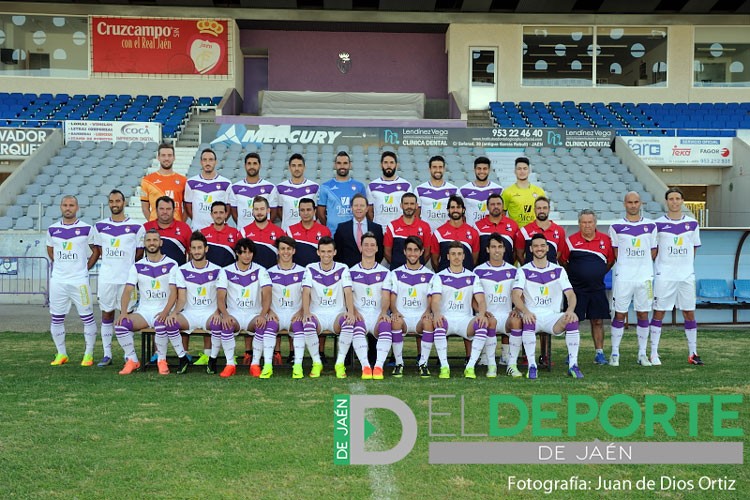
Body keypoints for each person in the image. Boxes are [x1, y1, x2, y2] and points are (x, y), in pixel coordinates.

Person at [512, 234, 583, 380]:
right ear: (531, 249)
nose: (539, 248)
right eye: (536, 246)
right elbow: (515, 295)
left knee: (572, 320)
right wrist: (525, 311)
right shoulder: (523, 270)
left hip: (553, 317)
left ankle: (573, 365)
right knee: (528, 320)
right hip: (533, 315)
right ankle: (532, 366)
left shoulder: (559, 270)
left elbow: (570, 294)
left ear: (547, 248)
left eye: (542, 245)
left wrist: (570, 311)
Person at [114, 229, 180, 375]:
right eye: (149, 240)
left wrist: (165, 312)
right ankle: (132, 360)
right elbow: (127, 291)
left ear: (160, 242)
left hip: (164, 310)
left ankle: (161, 360)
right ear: (144, 243)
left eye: (155, 240)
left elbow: (174, 292)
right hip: (144, 312)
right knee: (120, 325)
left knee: (161, 323)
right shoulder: (137, 266)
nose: (152, 243)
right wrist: (124, 312)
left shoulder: (171, 264)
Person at [92, 189, 145, 368]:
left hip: (127, 280)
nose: (115, 204)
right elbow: (97, 251)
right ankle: (107, 354)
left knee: (126, 316)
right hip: (107, 278)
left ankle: (127, 354)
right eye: (112, 201)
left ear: (124, 202)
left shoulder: (137, 227)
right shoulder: (99, 226)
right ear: (109, 204)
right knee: (107, 314)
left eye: (118, 201)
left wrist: (126, 265)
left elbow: (139, 253)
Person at [651, 187, 703, 366]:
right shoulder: (656, 224)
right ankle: (653, 353)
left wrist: (685, 266)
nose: (674, 202)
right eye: (671, 199)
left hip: (686, 276)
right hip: (664, 275)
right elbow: (654, 250)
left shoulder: (692, 223)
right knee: (659, 311)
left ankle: (693, 353)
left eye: (677, 198)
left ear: (682, 201)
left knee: (689, 312)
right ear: (667, 202)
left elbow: (694, 248)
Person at [46, 195, 101, 367]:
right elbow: (50, 250)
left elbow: (96, 251)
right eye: (65, 205)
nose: (68, 208)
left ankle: (88, 354)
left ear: (77, 207)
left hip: (80, 281)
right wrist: (61, 266)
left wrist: (86, 267)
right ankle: (61, 353)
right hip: (58, 281)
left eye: (71, 205)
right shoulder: (52, 229)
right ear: (61, 207)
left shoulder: (86, 228)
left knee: (87, 317)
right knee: (56, 318)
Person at [422, 241, 488, 379]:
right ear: (448, 257)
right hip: (446, 319)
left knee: (482, 323)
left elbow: (481, 300)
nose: (456, 257)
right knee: (439, 321)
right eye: (453, 254)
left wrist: (481, 314)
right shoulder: (439, 276)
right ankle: (444, 367)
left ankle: (470, 367)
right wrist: (438, 313)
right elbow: (435, 300)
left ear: (464, 256)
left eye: (459, 254)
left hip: (465, 320)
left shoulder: (472, 276)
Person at [608, 192, 657, 367]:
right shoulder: (616, 226)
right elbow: (615, 253)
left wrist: (641, 264)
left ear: (641, 203)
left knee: (643, 313)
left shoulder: (651, 226)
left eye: (636, 202)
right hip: (624, 278)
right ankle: (615, 353)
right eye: (630, 202)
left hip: (645, 279)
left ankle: (642, 354)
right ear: (624, 204)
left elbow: (653, 251)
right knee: (619, 314)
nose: (633, 205)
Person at [563, 209, 615, 365]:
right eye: (584, 222)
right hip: (576, 290)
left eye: (590, 222)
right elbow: (564, 261)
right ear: (579, 223)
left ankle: (599, 353)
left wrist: (595, 274)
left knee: (597, 321)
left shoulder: (605, 240)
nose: (587, 225)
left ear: (595, 223)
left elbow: (610, 261)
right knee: (573, 321)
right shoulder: (570, 241)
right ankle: (571, 354)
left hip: (597, 288)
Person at [300, 237, 357, 378]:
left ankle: (340, 363)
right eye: (323, 251)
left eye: (329, 251)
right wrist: (306, 312)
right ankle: (316, 362)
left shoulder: (343, 268)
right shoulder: (310, 268)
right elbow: (306, 292)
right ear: (318, 252)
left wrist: (350, 312)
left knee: (348, 322)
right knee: (307, 322)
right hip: (317, 314)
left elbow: (348, 291)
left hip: (336, 314)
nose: (326, 255)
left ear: (335, 252)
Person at [168, 231, 223, 375]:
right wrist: (174, 313)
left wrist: (218, 312)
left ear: (206, 249)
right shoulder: (182, 270)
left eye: (200, 248)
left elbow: (221, 297)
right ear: (190, 250)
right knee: (170, 322)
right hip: (190, 313)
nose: (197, 251)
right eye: (194, 248)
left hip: (210, 313)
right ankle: (182, 358)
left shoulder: (218, 270)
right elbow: (181, 298)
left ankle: (212, 359)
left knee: (218, 324)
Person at [217, 238, 272, 378]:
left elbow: (267, 295)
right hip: (234, 314)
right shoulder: (226, 271)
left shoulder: (261, 270)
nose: (247, 256)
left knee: (262, 324)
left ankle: (255, 364)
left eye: (249, 252)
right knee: (225, 324)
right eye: (243, 252)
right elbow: (220, 297)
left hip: (253, 314)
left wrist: (262, 314)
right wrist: (225, 314)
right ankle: (230, 364)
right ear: (237, 253)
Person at [474, 234, 523, 377]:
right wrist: (481, 312)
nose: (497, 250)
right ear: (488, 250)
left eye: (500, 247)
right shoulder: (478, 271)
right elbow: (472, 298)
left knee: (516, 320)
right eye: (493, 247)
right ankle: (491, 365)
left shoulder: (514, 271)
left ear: (504, 250)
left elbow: (522, 295)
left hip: (507, 316)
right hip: (488, 316)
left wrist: (516, 309)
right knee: (489, 321)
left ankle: (511, 364)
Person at [386, 236, 435, 377]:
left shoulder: (430, 275)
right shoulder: (395, 274)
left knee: (428, 321)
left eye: (415, 250)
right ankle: (399, 363)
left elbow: (431, 298)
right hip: (404, 318)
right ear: (404, 252)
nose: (412, 253)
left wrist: (427, 311)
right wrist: (394, 311)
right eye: (409, 250)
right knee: (395, 321)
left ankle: (423, 363)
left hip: (420, 318)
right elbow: (392, 297)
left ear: (421, 252)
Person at [266, 236, 310, 378]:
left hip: (295, 313)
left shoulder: (304, 272)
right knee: (269, 327)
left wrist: (302, 310)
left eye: (289, 249)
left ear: (294, 251)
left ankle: (297, 366)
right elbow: (264, 296)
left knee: (299, 327)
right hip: (276, 313)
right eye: (282, 249)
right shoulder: (269, 272)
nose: (286, 252)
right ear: (278, 251)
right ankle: (267, 366)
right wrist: (269, 310)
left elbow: (307, 294)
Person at [349, 232, 392, 379]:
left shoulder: (385, 272)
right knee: (356, 327)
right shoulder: (351, 272)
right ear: (361, 247)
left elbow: (386, 296)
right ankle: (366, 367)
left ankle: (378, 367)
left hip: (377, 314)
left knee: (386, 325)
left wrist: (384, 312)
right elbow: (347, 296)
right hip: (359, 314)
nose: (369, 247)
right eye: (366, 244)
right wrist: (353, 311)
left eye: (372, 245)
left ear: (377, 249)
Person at [317, 151, 367, 235]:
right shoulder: (325, 187)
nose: (342, 166)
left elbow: (364, 211)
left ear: (350, 165)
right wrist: (329, 226)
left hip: (353, 233)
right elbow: (320, 213)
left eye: (345, 163)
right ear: (335, 165)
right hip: (333, 233)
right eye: (339, 163)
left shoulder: (359, 186)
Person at [184, 148, 232, 231]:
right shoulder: (191, 182)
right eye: (205, 160)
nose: (207, 163)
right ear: (201, 162)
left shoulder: (226, 183)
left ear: (215, 162)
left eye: (211, 160)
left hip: (217, 230)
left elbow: (228, 208)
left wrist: (219, 222)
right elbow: (187, 206)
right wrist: (196, 220)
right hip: (197, 230)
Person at [229, 152, 278, 230]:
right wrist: (243, 227)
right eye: (249, 163)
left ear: (260, 165)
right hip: (243, 233)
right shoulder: (235, 187)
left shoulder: (270, 187)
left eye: (255, 163)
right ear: (245, 166)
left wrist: (264, 227)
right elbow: (234, 212)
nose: (252, 166)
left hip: (263, 232)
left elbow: (274, 212)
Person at [383, 192, 432, 269]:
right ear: (401, 205)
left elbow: (427, 253)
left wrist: (416, 266)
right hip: (396, 272)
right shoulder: (392, 226)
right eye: (406, 203)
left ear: (416, 206)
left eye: (412, 204)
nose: (409, 206)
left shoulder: (425, 226)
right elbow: (387, 252)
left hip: (418, 272)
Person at [431, 195, 479, 272]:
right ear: (448, 210)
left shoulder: (473, 233)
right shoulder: (438, 233)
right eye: (452, 207)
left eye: (458, 207)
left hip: (466, 279)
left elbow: (474, 260)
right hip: (445, 279)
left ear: (463, 210)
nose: (455, 210)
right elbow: (434, 260)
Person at [334, 193, 384, 268]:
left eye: (362, 206)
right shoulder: (342, 228)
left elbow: (380, 252)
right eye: (356, 205)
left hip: (370, 270)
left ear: (367, 208)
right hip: (348, 270)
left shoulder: (376, 228)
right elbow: (337, 253)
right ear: (351, 208)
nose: (359, 208)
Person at [140, 142, 187, 222]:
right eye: (163, 155)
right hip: (156, 229)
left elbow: (187, 208)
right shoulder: (147, 181)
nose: (166, 158)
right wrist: (153, 223)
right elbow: (145, 208)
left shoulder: (183, 181)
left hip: (176, 228)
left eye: (169, 155)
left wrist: (181, 224)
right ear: (158, 157)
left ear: (174, 157)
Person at [515, 196, 567, 265]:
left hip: (550, 273)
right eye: (539, 208)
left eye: (544, 208)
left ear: (549, 209)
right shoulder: (524, 231)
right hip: (531, 274)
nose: (542, 211)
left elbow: (558, 254)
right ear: (534, 210)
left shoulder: (560, 231)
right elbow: (519, 254)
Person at [366, 151, 412, 227]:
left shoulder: (406, 185)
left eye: (391, 162)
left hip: (399, 229)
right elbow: (370, 211)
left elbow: (409, 209)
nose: (388, 165)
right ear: (381, 165)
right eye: (385, 162)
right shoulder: (372, 186)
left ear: (396, 165)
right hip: (379, 229)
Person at [276, 153, 319, 233]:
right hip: (287, 232)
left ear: (304, 167)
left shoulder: (314, 187)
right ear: (289, 168)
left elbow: (316, 211)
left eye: (299, 165)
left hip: (308, 232)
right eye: (293, 165)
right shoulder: (280, 187)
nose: (297, 168)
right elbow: (279, 211)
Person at [143, 196, 191, 266]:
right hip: (151, 274)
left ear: (174, 210)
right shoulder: (145, 228)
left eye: (168, 209)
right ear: (156, 210)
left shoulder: (184, 228)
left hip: (176, 274)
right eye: (161, 209)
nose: (165, 212)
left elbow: (192, 252)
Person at [415, 155, 458, 232]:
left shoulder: (454, 190)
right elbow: (416, 215)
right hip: (427, 233)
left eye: (440, 167)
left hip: (447, 234)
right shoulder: (419, 189)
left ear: (444, 169)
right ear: (429, 169)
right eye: (434, 167)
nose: (438, 170)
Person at [474, 193, 519, 266]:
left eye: (498, 204)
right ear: (487, 207)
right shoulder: (477, 226)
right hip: (484, 271)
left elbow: (516, 251)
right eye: (492, 204)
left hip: (506, 271)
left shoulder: (513, 225)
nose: (496, 206)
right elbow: (475, 252)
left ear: (503, 206)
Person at [240, 195, 284, 269]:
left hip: (272, 274)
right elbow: (240, 257)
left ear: (268, 210)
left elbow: (283, 257)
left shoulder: (279, 232)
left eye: (262, 209)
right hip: (251, 276)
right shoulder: (244, 232)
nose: (259, 212)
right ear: (252, 211)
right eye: (256, 209)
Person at [501, 157, 545, 228]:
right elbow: (502, 215)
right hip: (516, 233)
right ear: (515, 171)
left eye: (525, 169)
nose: (522, 171)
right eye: (519, 169)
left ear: (529, 171)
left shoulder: (539, 192)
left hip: (535, 233)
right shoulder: (507, 192)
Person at [288, 198, 332, 268]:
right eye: (302, 210)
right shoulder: (290, 231)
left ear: (314, 211)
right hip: (297, 272)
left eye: (308, 210)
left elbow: (329, 254)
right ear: (298, 212)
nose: (305, 213)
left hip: (318, 272)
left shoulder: (325, 231)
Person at [458, 156, 503, 225]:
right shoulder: (463, 190)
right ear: (474, 170)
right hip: (471, 232)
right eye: (479, 169)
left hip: (490, 233)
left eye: (485, 169)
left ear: (489, 170)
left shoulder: (499, 190)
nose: (482, 171)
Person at [200, 201, 242, 269]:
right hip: (208, 274)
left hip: (228, 273)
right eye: (215, 213)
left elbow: (240, 256)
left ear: (226, 214)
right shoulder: (202, 233)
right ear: (211, 215)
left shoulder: (235, 233)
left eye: (221, 212)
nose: (218, 216)